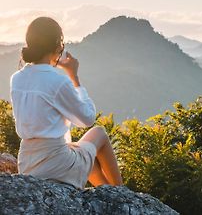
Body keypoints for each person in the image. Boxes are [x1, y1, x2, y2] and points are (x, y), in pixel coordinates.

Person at [10, 16, 123, 190]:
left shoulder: (16, 79)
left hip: (27, 163)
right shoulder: (57, 81)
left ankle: (110, 194)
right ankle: (121, 193)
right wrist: (74, 77)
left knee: (82, 151)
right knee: (99, 133)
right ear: (57, 45)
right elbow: (87, 119)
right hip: (55, 164)